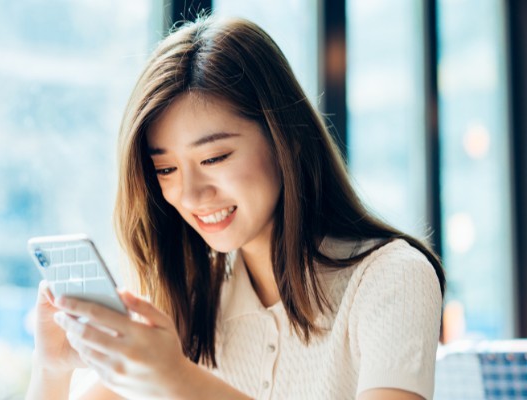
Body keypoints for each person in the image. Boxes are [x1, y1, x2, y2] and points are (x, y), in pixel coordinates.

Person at [27, 15, 446, 400]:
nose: (190, 195)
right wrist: (52, 369)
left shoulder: (391, 277)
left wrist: (176, 377)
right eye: (166, 168)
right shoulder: (193, 299)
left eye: (214, 158)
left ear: (287, 140)